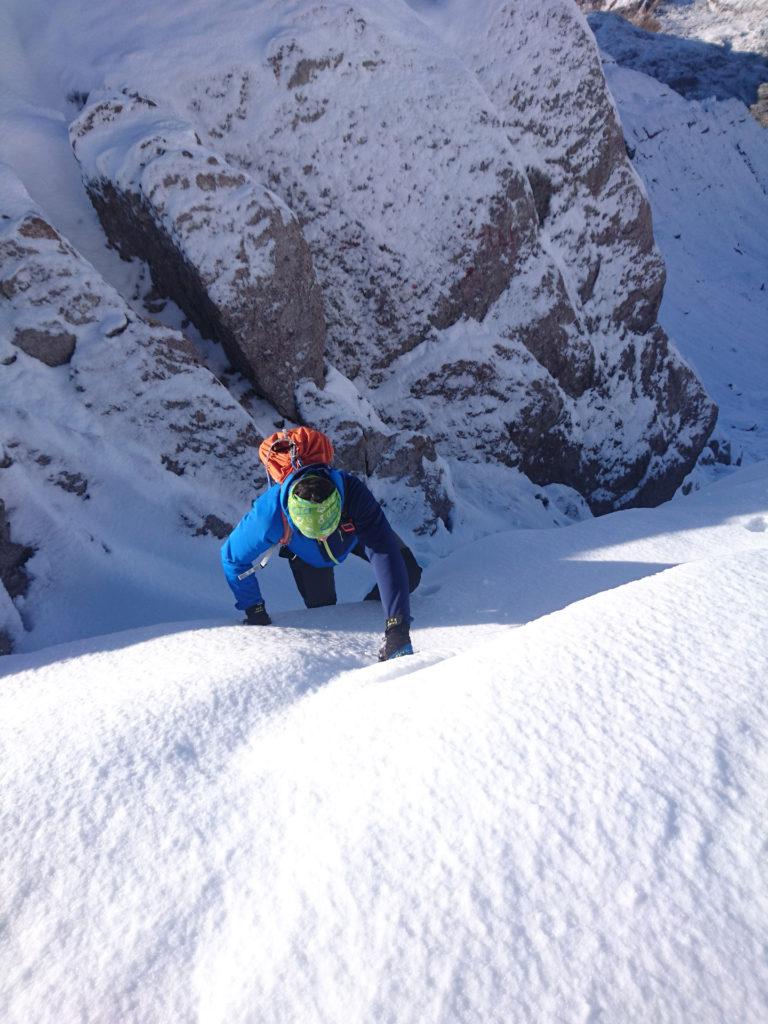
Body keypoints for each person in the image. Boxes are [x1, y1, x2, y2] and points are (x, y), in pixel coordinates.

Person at [221, 465, 422, 661]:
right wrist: (254, 608)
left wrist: (397, 628)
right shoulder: (268, 516)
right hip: (308, 556)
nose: (323, 538)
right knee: (325, 612)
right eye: (314, 534)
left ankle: (371, 604)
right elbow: (232, 558)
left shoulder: (355, 495)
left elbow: (384, 551)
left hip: (351, 536)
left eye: (327, 529)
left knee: (408, 573)